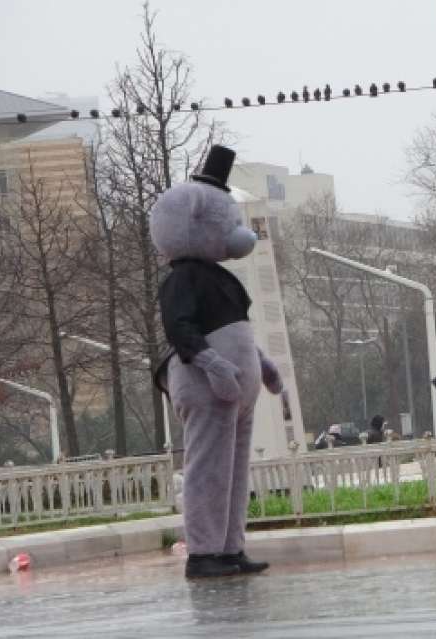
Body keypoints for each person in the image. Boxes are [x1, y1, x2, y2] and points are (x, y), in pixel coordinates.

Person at [152, 145, 278, 579]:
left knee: (235, 472)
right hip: (206, 385)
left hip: (236, 391)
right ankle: (204, 552)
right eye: (228, 225)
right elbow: (180, 328)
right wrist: (214, 365)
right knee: (207, 467)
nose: (238, 235)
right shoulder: (182, 278)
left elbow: (235, 331)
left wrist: (261, 364)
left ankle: (229, 547)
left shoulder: (218, 277)